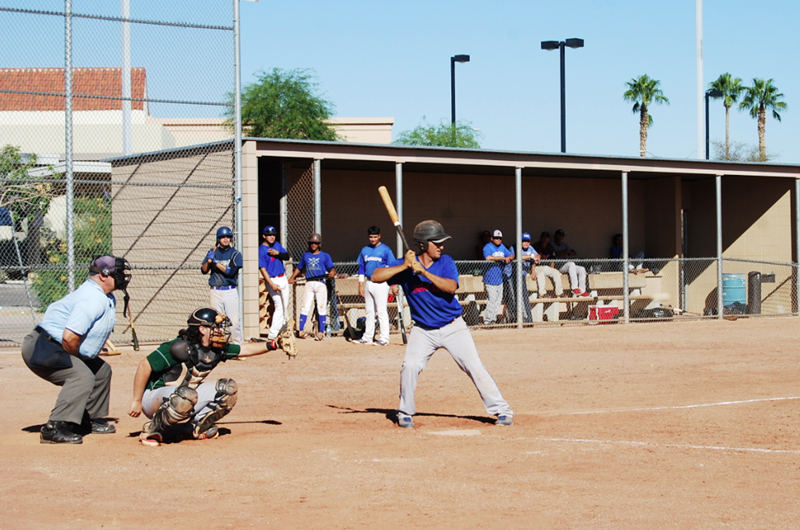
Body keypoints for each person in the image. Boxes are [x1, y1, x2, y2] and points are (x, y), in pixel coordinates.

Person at [371, 220, 513, 429]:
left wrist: (424, 273)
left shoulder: (446, 261)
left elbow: (451, 287)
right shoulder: (406, 265)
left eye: (442, 242)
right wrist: (404, 266)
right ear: (422, 244)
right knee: (409, 366)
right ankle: (405, 413)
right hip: (423, 329)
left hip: (452, 326)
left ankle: (502, 410)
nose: (441, 246)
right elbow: (375, 277)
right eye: (436, 242)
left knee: (474, 366)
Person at [128, 307, 297, 447]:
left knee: (227, 389)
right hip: (153, 398)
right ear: (202, 329)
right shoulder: (178, 346)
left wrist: (273, 344)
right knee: (186, 394)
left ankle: (195, 428)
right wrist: (136, 400)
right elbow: (145, 366)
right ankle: (151, 430)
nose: (220, 331)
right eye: (215, 327)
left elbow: (243, 350)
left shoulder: (216, 348)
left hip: (184, 396)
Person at [21, 255, 132, 444]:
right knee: (81, 375)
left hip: (56, 344)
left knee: (101, 371)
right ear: (103, 276)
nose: (122, 277)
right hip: (43, 346)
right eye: (117, 273)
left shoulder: (103, 295)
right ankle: (54, 427)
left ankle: (84, 421)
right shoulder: (92, 299)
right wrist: (78, 361)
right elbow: (69, 337)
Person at [288, 232, 336, 340]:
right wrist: (292, 277)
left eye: (316, 243)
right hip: (309, 282)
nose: (313, 245)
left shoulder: (325, 256)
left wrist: (333, 272)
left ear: (319, 244)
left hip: (321, 282)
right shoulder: (306, 255)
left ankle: (321, 332)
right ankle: (301, 330)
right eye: (311, 243)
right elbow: (299, 268)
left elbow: (332, 268)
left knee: (322, 307)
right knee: (305, 306)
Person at [356, 225, 398, 346]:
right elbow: (361, 268)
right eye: (371, 237)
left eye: (375, 237)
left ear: (379, 236)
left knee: (381, 311)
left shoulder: (386, 250)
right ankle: (368, 337)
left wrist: (393, 284)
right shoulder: (365, 250)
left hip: (381, 283)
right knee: (369, 311)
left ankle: (384, 338)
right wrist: (360, 285)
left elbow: (391, 268)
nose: (373, 239)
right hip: (369, 282)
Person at [201, 226, 243, 344]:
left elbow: (231, 272)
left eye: (228, 237)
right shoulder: (212, 252)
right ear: (218, 239)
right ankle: (218, 345)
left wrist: (215, 262)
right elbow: (204, 270)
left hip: (229, 291)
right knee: (217, 321)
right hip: (215, 290)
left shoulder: (235, 254)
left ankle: (238, 346)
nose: (225, 239)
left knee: (234, 321)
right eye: (223, 237)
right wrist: (208, 261)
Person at [259, 225, 292, 340]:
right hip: (272, 279)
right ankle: (273, 334)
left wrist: (277, 253)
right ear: (264, 236)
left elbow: (287, 256)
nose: (272, 237)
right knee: (279, 305)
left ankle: (281, 331)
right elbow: (262, 270)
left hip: (282, 277)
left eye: (273, 235)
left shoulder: (277, 245)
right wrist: (271, 284)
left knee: (285, 305)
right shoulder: (261, 250)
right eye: (269, 235)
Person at [482, 229, 513, 325]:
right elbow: (488, 258)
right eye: (496, 238)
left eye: (499, 238)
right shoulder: (488, 247)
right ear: (492, 238)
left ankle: (493, 319)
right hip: (490, 278)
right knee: (492, 299)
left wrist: (509, 258)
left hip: (499, 278)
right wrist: (502, 258)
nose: (498, 240)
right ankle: (488, 320)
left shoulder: (502, 247)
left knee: (498, 300)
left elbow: (511, 255)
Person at [549, 229, 589, 297]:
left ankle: (582, 290)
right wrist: (557, 253)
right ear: (555, 236)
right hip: (557, 266)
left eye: (562, 236)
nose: (561, 237)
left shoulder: (563, 245)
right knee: (571, 264)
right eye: (559, 236)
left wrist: (567, 252)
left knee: (581, 269)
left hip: (565, 265)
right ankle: (574, 288)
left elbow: (574, 253)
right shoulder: (551, 244)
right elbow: (548, 253)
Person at [528, 231, 565, 298]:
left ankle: (559, 293)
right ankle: (542, 294)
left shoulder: (550, 247)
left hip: (546, 267)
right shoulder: (535, 246)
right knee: (540, 273)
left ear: (548, 239)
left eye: (546, 237)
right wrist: (532, 271)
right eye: (543, 237)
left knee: (556, 272)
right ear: (541, 238)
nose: (545, 239)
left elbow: (552, 259)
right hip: (536, 267)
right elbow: (532, 260)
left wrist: (552, 268)